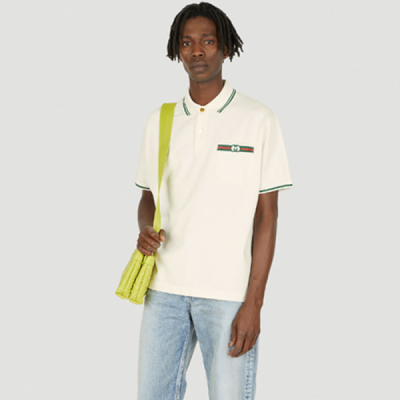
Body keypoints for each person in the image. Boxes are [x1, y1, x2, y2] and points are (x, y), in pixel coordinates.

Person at [134, 2, 293, 399]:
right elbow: (149, 196)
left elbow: (268, 216)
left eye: (207, 41)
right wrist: (145, 229)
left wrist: (254, 302)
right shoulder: (160, 120)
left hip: (228, 296)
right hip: (163, 292)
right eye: (187, 42)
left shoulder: (258, 119)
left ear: (225, 48)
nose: (197, 51)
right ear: (177, 50)